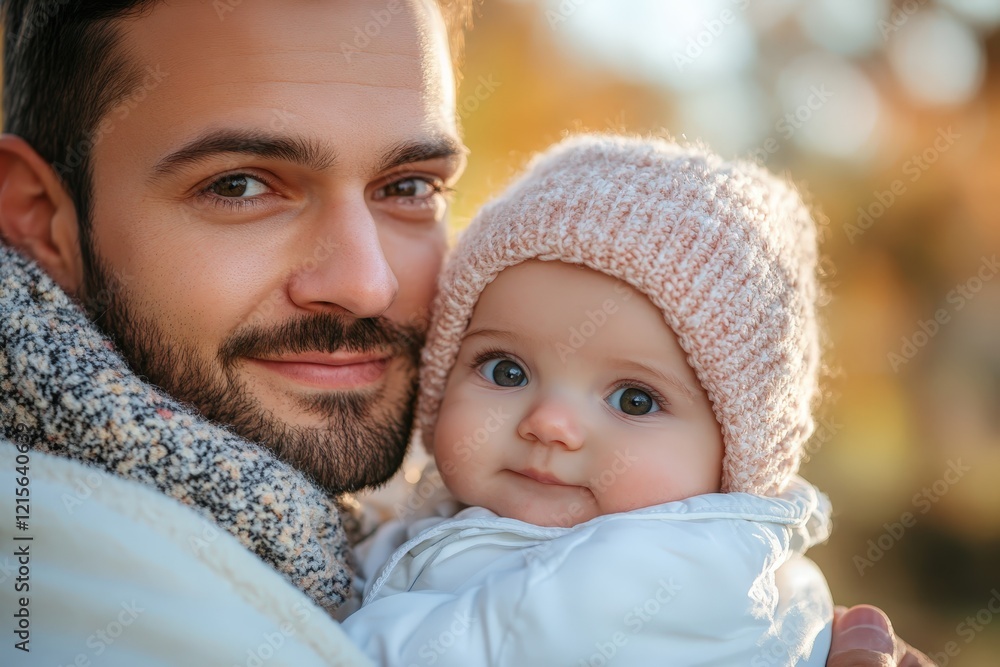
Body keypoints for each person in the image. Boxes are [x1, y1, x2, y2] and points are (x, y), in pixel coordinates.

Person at [0, 1, 932, 665]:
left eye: (408, 187)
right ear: (40, 218)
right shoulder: (55, 586)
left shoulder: (365, 520)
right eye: (241, 184)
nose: (366, 281)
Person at [342, 134, 833, 665]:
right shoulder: (425, 508)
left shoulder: (667, 576)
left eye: (634, 401)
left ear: (738, 457)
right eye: (507, 371)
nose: (549, 424)